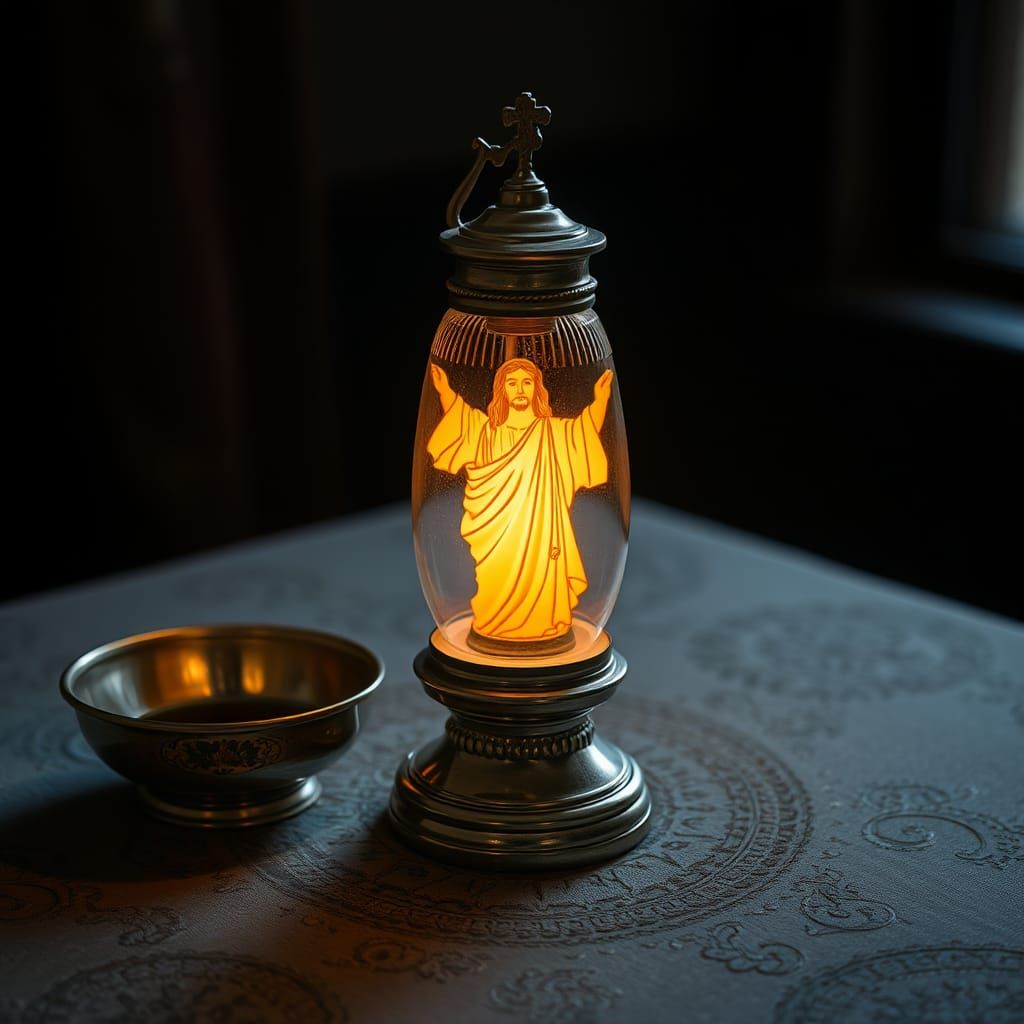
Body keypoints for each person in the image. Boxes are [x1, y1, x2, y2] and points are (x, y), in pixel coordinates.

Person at [427, 357, 613, 651]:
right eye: (512, 383)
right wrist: (444, 390)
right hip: (495, 535)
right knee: (497, 579)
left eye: (527, 382)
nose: (520, 389)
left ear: (537, 389)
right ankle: (496, 621)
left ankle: (542, 623)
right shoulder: (488, 431)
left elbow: (582, 432)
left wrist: (601, 400)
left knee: (541, 573)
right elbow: (463, 422)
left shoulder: (552, 432)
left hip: (543, 537)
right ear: (503, 390)